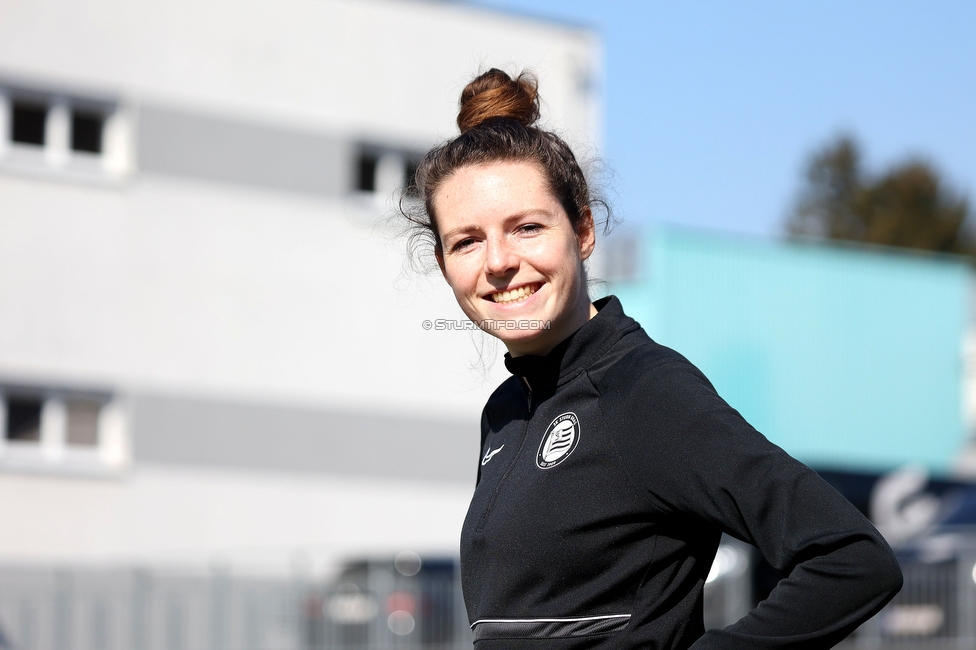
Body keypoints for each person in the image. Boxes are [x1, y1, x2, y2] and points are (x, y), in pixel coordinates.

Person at [403, 68, 903, 649]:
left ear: (583, 230)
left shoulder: (644, 391)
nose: (498, 262)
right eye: (467, 240)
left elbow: (853, 559)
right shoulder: (506, 411)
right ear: (444, 265)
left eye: (527, 228)